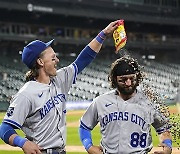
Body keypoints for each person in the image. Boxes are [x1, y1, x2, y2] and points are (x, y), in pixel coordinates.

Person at [0, 20, 119, 154]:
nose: (57, 60)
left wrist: (103, 34)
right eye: (53, 58)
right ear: (40, 62)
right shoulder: (26, 94)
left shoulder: (60, 78)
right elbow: (4, 128)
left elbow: (83, 59)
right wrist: (23, 143)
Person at [79, 55, 172, 154]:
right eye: (123, 79)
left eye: (132, 78)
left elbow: (163, 128)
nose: (128, 83)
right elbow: (84, 126)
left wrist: (167, 147)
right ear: (114, 79)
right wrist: (88, 146)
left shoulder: (149, 102)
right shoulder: (100, 102)